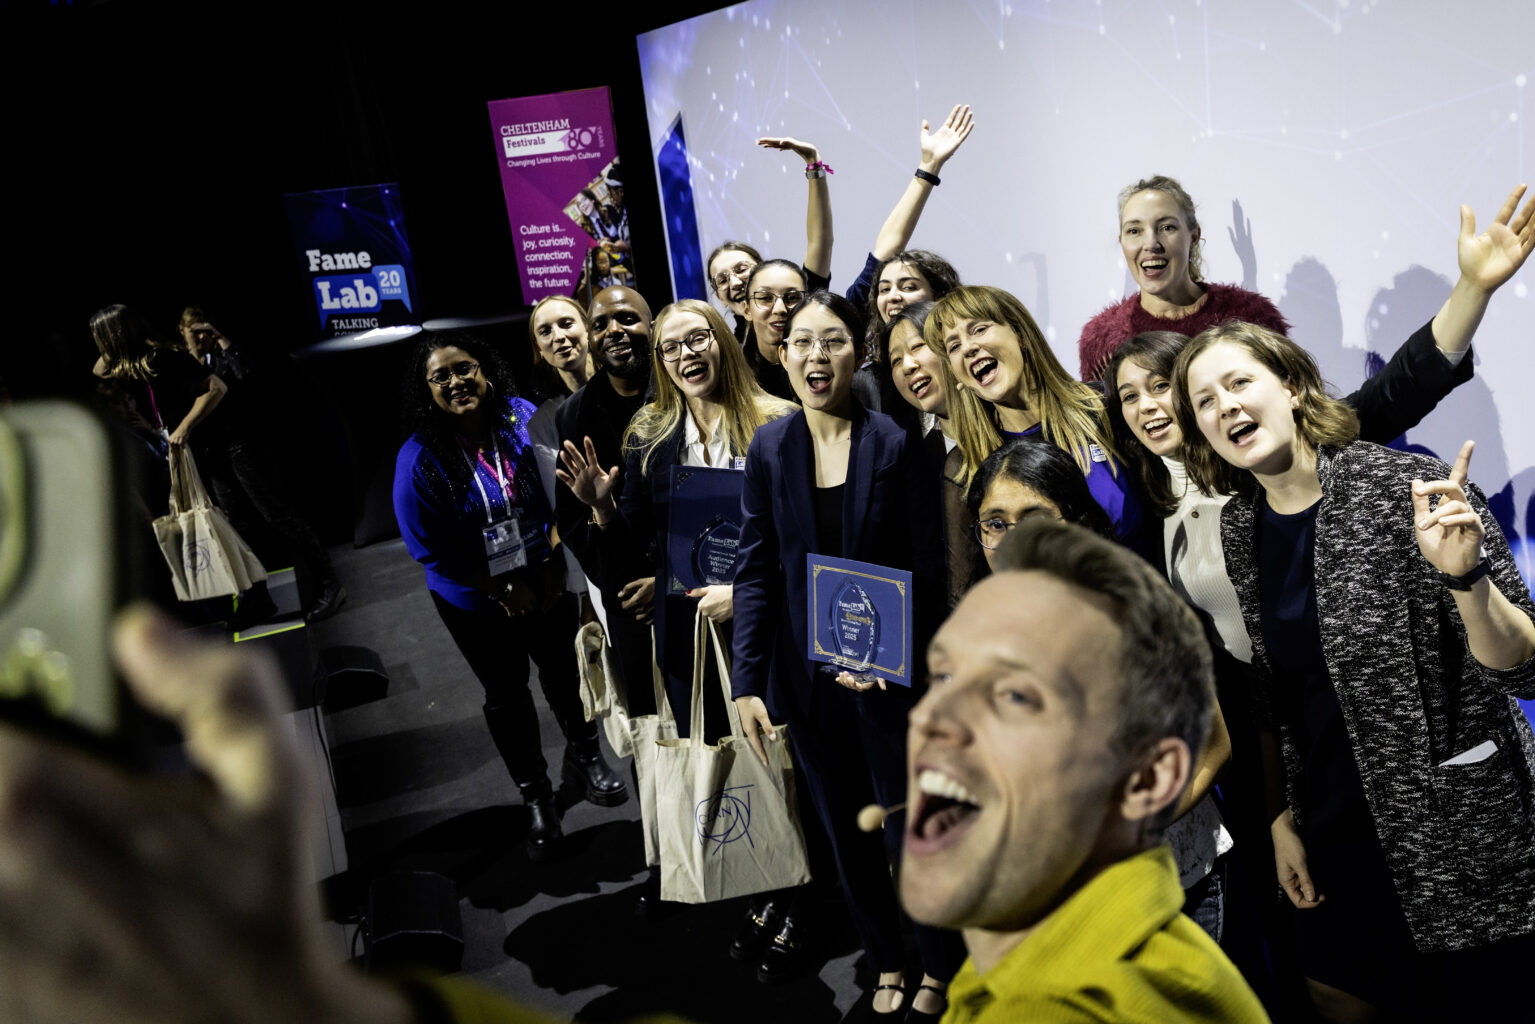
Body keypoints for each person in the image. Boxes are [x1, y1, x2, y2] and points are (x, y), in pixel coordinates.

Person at [1173, 321, 1535, 1022]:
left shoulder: (1405, 485)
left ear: (1292, 385)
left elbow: (1524, 669)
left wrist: (1468, 582)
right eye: (1204, 400)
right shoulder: (1240, 525)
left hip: (1453, 826)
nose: (1224, 406)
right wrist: (1280, 814)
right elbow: (1279, 688)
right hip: (1335, 826)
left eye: (1239, 381)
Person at [900, 517, 1269, 1022]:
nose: (1014, 539)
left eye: (1033, 518)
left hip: (1177, 886)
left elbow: (1213, 748)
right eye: (995, 523)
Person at [731, 291, 964, 1019]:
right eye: (799, 342)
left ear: (855, 353)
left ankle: (936, 963)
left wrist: (895, 658)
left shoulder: (894, 442)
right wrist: (746, 681)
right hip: (806, 683)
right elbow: (757, 566)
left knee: (905, 827)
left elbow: (926, 566)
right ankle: (886, 959)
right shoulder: (770, 447)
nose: (813, 355)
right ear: (781, 353)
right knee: (843, 833)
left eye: (831, 340)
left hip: (890, 679)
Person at [392, 331, 625, 862]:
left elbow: (558, 488)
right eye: (441, 376)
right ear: (425, 390)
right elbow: (429, 549)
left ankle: (586, 757)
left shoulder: (522, 417)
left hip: (544, 575)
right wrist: (498, 586)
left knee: (565, 673)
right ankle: (536, 797)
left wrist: (547, 565)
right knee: (507, 694)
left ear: (486, 370)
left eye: (465, 369)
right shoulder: (420, 458)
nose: (456, 382)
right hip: (473, 597)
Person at [89, 304, 279, 629]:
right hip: (196, 450)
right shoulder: (141, 362)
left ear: (116, 336)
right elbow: (99, 371)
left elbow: (216, 388)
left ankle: (263, 594)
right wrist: (113, 342)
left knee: (244, 517)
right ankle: (253, 596)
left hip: (216, 444)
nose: (101, 348)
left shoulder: (161, 357)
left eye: (102, 339)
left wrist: (184, 427)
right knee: (227, 520)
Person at [924, 285, 1145, 547]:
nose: (968, 348)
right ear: (958, 377)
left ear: (1021, 335)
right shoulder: (966, 465)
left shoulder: (1102, 407)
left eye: (979, 329)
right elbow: (966, 583)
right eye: (954, 346)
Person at [177, 305, 347, 622]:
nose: (201, 336)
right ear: (182, 331)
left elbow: (247, 375)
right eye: (194, 330)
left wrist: (222, 340)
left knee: (278, 516)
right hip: (214, 454)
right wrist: (190, 349)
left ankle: (329, 584)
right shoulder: (184, 365)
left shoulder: (224, 357)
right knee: (237, 527)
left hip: (244, 447)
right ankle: (257, 597)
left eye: (205, 329)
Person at [1076, 174, 1290, 382]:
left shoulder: (1251, 317)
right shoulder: (1101, 340)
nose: (1151, 243)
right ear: (1121, 241)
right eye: (1134, 231)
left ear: (1194, 236)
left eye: (1167, 227)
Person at [524, 295, 599, 614]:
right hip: (599, 560)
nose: (558, 336)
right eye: (545, 331)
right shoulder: (544, 422)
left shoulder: (631, 386)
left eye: (567, 323)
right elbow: (566, 512)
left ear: (588, 329)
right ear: (539, 350)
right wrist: (583, 590)